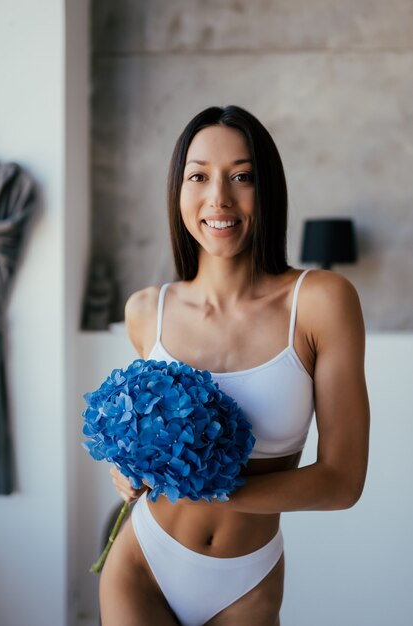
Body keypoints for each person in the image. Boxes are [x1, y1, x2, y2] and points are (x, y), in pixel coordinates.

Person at [99, 105, 370, 626]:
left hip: (245, 580)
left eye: (241, 177)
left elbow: (343, 482)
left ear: (267, 189)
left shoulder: (321, 301)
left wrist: (209, 488)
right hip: (142, 561)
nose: (218, 197)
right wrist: (126, 470)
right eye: (198, 176)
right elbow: (141, 438)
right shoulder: (145, 311)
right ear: (178, 191)